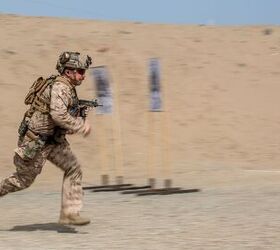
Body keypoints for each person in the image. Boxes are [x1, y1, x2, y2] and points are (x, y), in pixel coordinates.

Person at [0, 51, 93, 226]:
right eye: (80, 71)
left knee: (73, 168)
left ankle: (70, 213)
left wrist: (78, 114)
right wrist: (81, 125)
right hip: (35, 143)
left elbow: (61, 121)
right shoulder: (60, 87)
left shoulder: (68, 88)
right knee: (22, 181)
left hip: (53, 141)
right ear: (68, 72)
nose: (83, 76)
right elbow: (58, 115)